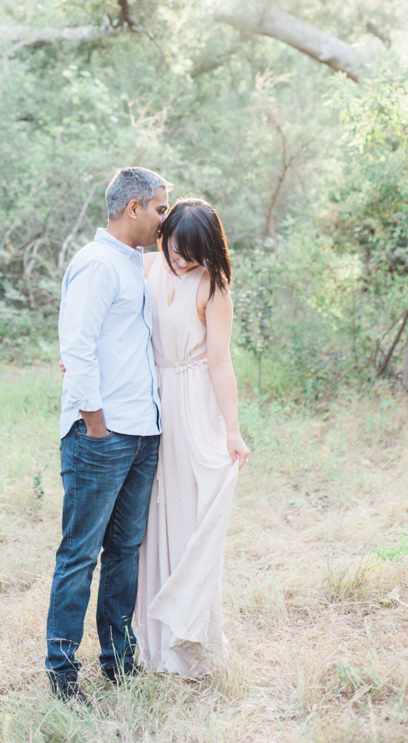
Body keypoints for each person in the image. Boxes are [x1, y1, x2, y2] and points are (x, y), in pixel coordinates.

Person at [46, 166, 170, 701]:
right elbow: (76, 348)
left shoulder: (134, 265)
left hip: (142, 434)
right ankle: (61, 673)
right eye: (161, 208)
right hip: (103, 435)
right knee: (80, 554)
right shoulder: (97, 264)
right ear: (134, 207)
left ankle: (119, 662)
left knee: (125, 552)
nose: (165, 218)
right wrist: (96, 424)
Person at [134, 197, 250, 677]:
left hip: (191, 403)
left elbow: (219, 361)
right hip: (147, 396)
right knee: (150, 519)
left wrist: (233, 430)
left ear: (207, 251)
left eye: (188, 253)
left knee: (188, 513)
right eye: (172, 248)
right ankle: (151, 641)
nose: (178, 259)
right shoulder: (146, 265)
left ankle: (189, 642)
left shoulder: (213, 287)